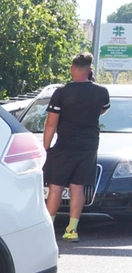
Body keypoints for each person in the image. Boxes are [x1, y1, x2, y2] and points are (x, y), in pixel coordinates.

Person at [43, 52, 109, 241]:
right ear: (90, 71)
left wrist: (46, 148)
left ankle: (48, 229)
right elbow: (102, 110)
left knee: (56, 187)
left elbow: (50, 124)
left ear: (72, 69)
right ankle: (72, 230)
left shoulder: (61, 93)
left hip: (65, 145)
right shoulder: (101, 92)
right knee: (77, 187)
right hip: (89, 145)